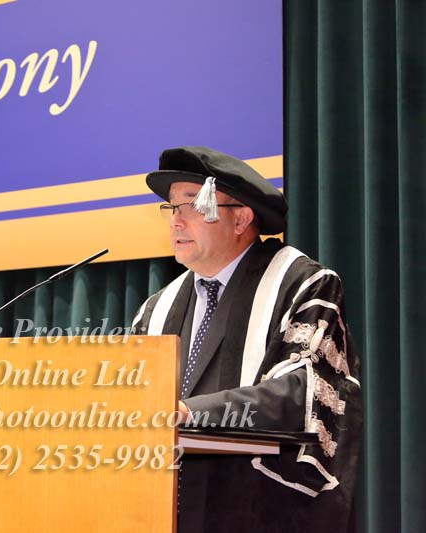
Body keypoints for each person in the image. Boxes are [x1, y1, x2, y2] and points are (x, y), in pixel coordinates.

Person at [132, 146, 362, 533]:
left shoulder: (302, 285)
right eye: (172, 208)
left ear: (240, 218)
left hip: (259, 512)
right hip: (163, 512)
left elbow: (300, 393)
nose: (176, 221)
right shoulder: (157, 308)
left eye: (193, 205)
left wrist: (189, 413)